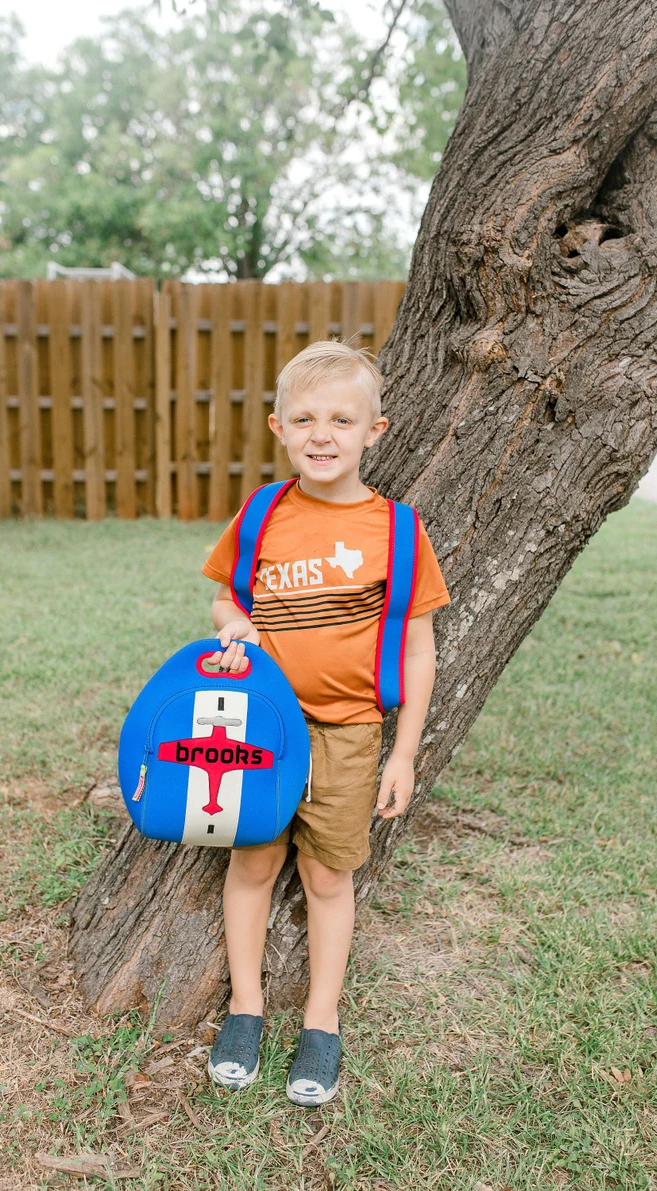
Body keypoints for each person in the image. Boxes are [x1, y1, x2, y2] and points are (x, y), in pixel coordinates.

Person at [200, 338, 450, 1106]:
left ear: (375, 431)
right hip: (260, 728)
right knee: (250, 863)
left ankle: (321, 1016)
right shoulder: (262, 515)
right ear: (278, 427)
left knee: (328, 873)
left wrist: (403, 751)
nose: (322, 433)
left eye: (342, 418)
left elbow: (418, 650)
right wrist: (232, 627)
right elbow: (225, 600)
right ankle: (246, 1008)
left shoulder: (400, 533)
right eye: (303, 417)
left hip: (348, 733)